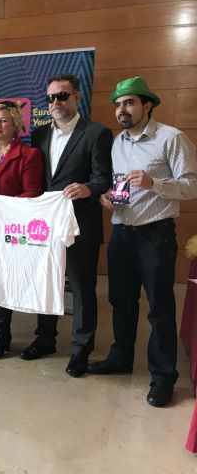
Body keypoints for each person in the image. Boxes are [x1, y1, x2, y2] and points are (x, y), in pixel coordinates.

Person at [88, 77, 197, 407]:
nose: (122, 109)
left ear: (147, 105)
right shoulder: (117, 142)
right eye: (118, 104)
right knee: (121, 302)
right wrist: (108, 197)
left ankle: (163, 375)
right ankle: (121, 357)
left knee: (159, 307)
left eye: (129, 103)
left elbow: (192, 186)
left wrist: (155, 184)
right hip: (122, 233)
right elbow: (119, 185)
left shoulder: (171, 138)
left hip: (155, 235)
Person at [20, 73, 112, 378]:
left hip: (80, 224)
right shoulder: (39, 134)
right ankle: (45, 339)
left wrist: (88, 188)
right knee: (46, 282)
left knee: (82, 289)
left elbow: (103, 177)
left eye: (62, 96)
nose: (56, 102)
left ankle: (81, 350)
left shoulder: (97, 133)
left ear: (77, 97)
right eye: (51, 98)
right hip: (45, 225)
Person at [0, 101, 44, 359]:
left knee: (5, 280)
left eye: (4, 120)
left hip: (11, 229)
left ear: (16, 124)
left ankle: (3, 333)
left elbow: (32, 193)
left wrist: (1, 206)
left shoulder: (29, 155)